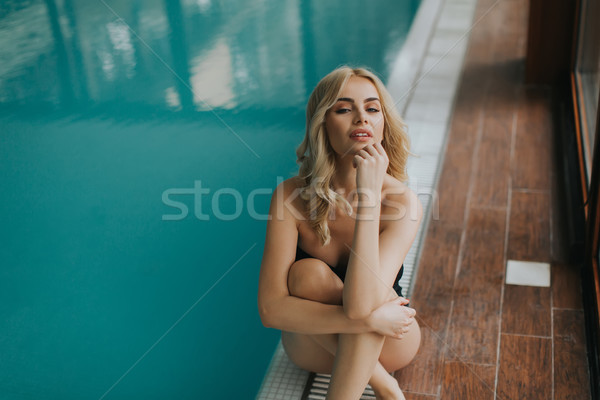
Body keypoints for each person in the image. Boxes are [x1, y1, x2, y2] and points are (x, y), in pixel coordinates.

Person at [258, 66, 422, 400]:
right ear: (323, 123)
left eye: (373, 109)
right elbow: (270, 311)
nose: (362, 118)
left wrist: (369, 199)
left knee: (369, 295)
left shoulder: (402, 203)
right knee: (307, 275)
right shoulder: (289, 197)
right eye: (344, 109)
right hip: (314, 348)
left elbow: (363, 304)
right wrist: (367, 322)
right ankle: (385, 386)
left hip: (390, 345)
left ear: (383, 123)